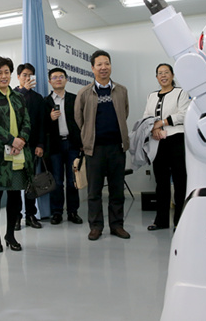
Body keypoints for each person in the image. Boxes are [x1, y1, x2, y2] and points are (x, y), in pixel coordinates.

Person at [75, 50, 130, 241]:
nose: (103, 67)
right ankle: (96, 226)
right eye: (99, 64)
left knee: (117, 190)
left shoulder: (121, 90)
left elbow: (124, 113)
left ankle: (117, 225)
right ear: (92, 68)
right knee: (94, 191)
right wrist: (89, 136)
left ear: (111, 66)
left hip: (117, 148)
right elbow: (79, 119)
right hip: (94, 149)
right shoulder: (84, 93)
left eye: (107, 63)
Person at [0, 56, 33, 252]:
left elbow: (26, 121)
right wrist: (12, 140)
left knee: (15, 195)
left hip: (18, 152)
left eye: (6, 72)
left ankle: (10, 235)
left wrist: (22, 139)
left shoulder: (19, 97)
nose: (4, 76)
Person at [142, 63, 190, 231]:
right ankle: (161, 221)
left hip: (176, 139)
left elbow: (183, 115)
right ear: (156, 77)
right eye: (160, 73)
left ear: (172, 75)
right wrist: (154, 129)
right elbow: (146, 116)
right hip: (157, 142)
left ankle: (180, 221)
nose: (163, 75)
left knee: (180, 181)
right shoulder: (151, 96)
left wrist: (162, 123)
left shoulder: (181, 92)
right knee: (161, 183)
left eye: (166, 72)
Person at [45, 67, 83, 225]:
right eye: (54, 77)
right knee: (57, 181)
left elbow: (82, 122)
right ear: (50, 81)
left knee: (73, 180)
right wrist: (50, 118)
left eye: (61, 76)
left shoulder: (75, 99)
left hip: (72, 144)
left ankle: (73, 212)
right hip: (55, 146)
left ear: (66, 79)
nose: (58, 79)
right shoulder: (45, 102)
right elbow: (41, 126)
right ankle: (57, 212)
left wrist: (81, 143)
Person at [13, 63, 44, 229]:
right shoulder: (12, 95)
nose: (27, 78)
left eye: (30, 75)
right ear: (18, 76)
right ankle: (16, 217)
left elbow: (41, 123)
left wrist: (40, 144)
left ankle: (31, 215)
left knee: (30, 183)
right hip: (15, 145)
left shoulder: (38, 98)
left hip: (32, 146)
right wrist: (24, 90)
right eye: (24, 75)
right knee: (16, 183)